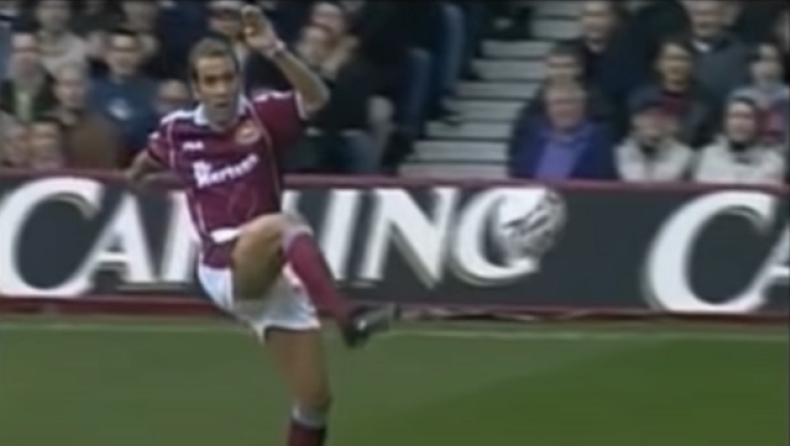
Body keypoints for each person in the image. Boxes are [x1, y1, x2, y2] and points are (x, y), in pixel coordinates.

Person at [124, 7, 397, 446]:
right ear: (196, 88)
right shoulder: (177, 132)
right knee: (285, 224)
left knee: (314, 401)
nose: (221, 90)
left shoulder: (262, 116)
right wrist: (137, 178)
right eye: (211, 81)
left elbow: (317, 100)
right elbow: (147, 160)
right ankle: (347, 317)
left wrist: (275, 49)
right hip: (224, 264)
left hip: (270, 268)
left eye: (227, 78)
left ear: (239, 79)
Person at [693, 96, 785, 185]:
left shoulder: (774, 161)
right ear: (724, 122)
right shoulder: (704, 156)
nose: (739, 123)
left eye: (747, 117)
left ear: (758, 123)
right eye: (734, 116)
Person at [615, 89, 695, 182]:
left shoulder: (689, 157)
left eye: (664, 115)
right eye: (649, 115)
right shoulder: (617, 154)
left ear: (675, 125)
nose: (656, 121)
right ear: (634, 120)